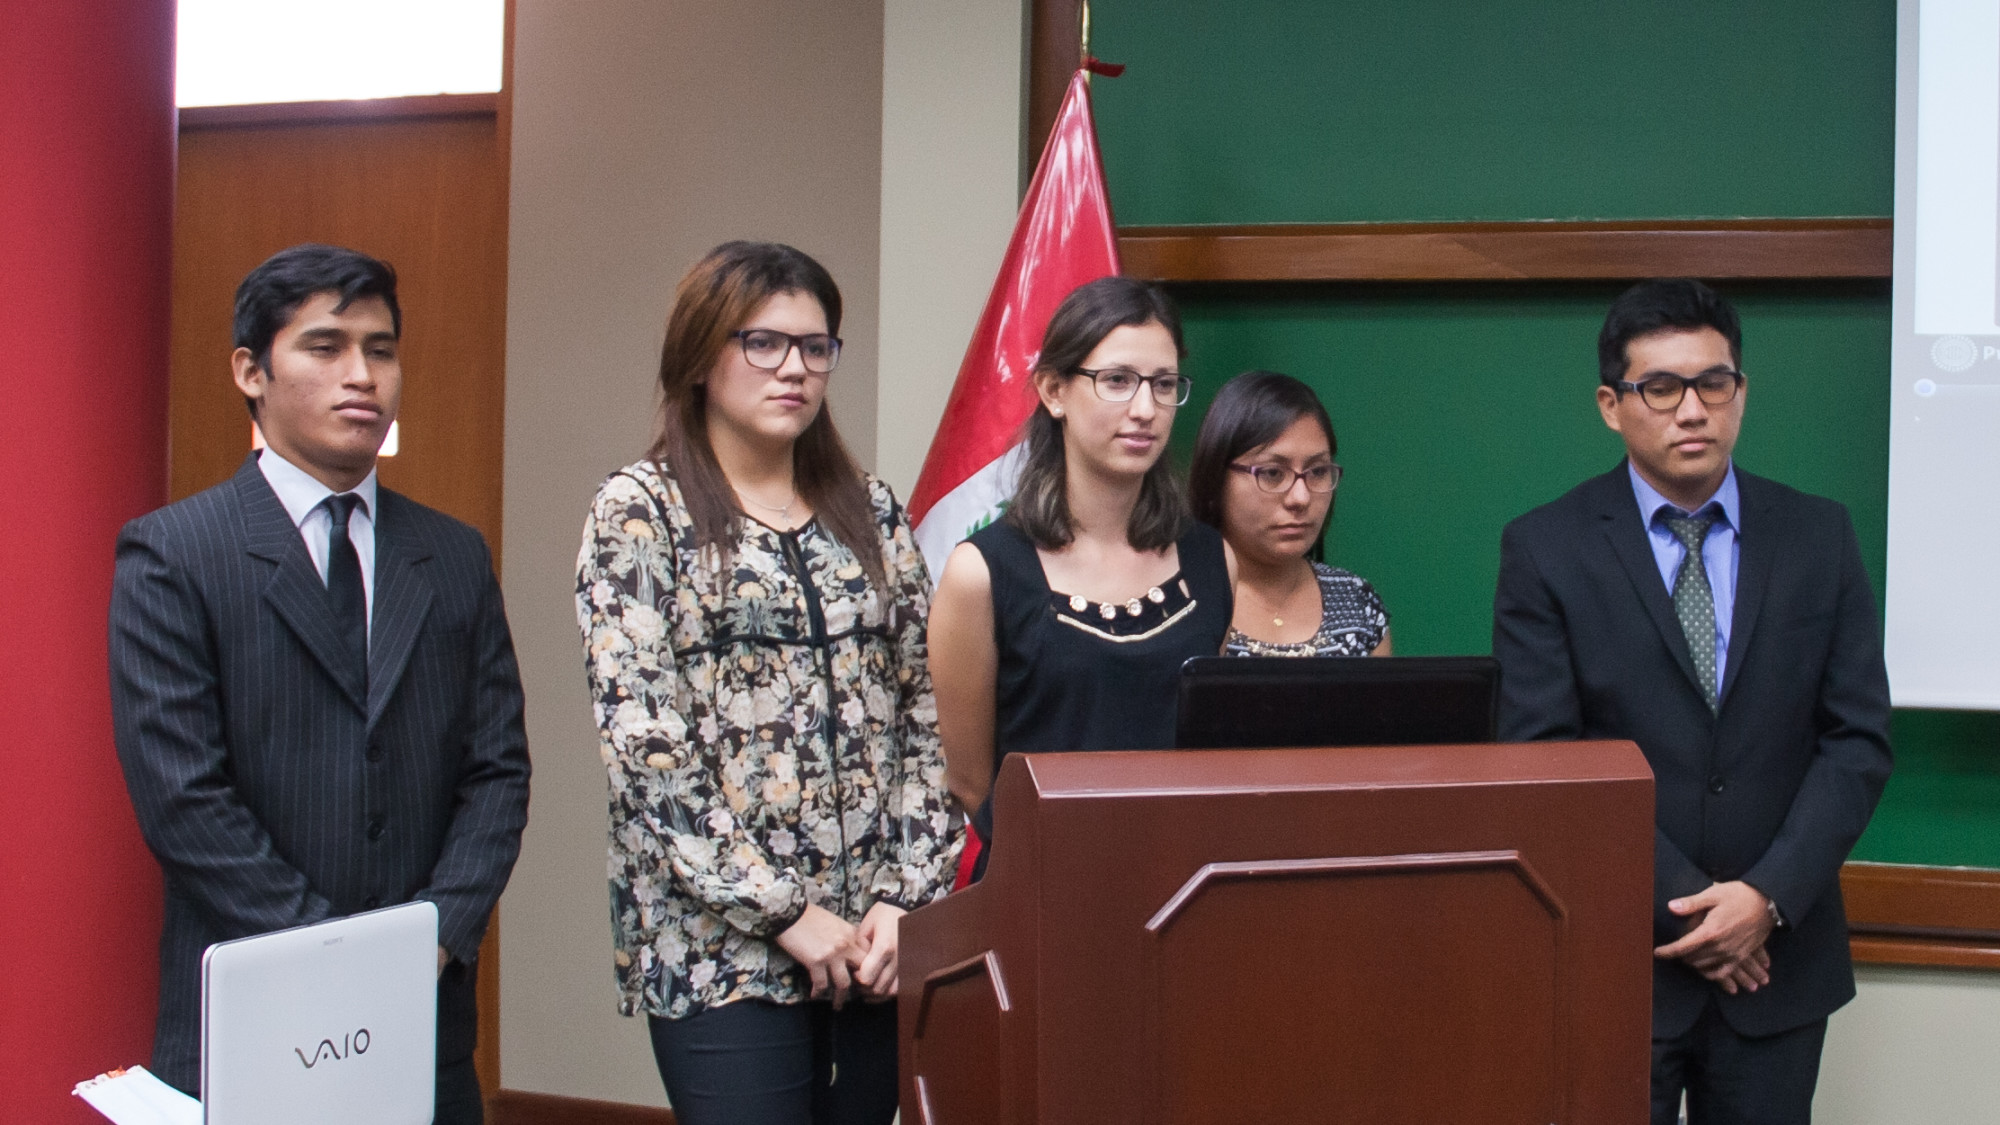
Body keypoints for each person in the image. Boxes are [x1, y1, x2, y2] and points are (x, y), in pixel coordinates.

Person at [109, 244, 532, 1122]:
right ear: (250, 371)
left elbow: (497, 772)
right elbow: (183, 797)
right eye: (325, 346)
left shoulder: (452, 554)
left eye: (381, 350)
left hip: (425, 1018)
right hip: (251, 1017)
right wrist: (340, 958)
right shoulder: (174, 552)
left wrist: (433, 934)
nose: (362, 376)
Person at [1492, 278, 1892, 1125]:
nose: (1692, 410)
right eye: (1661, 388)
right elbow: (1547, 757)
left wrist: (1764, 899)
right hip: (1616, 957)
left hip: (1779, 963)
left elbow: (1857, 739)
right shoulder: (1546, 547)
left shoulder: (1820, 535)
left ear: (1741, 391)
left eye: (1714, 383)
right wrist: (1697, 908)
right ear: (1611, 405)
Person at [575, 241, 958, 1125]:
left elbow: (930, 709)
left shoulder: (871, 509)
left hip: (872, 943)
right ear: (700, 357)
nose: (795, 368)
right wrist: (784, 911)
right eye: (764, 343)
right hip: (720, 947)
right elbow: (645, 744)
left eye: (816, 346)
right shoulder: (641, 511)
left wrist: (907, 897)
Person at [928, 276, 1234, 880]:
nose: (1145, 409)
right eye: (1117, 380)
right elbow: (970, 781)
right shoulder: (983, 571)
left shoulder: (1211, 559)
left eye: (1163, 384)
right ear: (1054, 391)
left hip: (1178, 889)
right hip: (1037, 891)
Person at [1188, 370, 1389, 657]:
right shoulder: (1179, 602)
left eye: (1317, 472)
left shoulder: (1357, 605)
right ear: (1217, 477)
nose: (1300, 498)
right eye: (1272, 473)